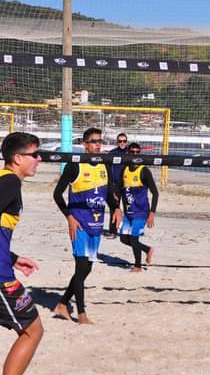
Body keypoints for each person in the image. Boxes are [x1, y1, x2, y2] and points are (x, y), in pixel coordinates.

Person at [52, 128, 121, 325]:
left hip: (96, 225)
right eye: (93, 141)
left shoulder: (104, 165)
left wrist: (116, 207)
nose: (97, 144)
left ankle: (63, 303)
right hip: (79, 224)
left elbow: (107, 194)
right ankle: (81, 314)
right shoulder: (75, 166)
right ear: (84, 144)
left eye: (100, 141)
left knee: (86, 269)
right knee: (81, 267)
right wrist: (69, 217)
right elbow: (57, 194)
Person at [0, 132, 44, 375]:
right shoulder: (9, 181)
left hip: (4, 267)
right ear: (18, 158)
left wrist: (14, 257)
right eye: (35, 154)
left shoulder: (5, 179)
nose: (39, 160)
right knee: (32, 330)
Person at [118, 142, 158, 272]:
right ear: (128, 154)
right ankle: (147, 249)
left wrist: (152, 213)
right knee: (123, 239)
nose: (135, 155)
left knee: (134, 239)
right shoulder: (124, 169)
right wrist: (116, 208)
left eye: (137, 152)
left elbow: (155, 193)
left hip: (141, 212)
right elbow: (120, 190)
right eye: (132, 152)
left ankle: (138, 266)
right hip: (128, 212)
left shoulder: (144, 171)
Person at [106, 132, 129, 238]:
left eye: (124, 141)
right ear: (117, 142)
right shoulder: (112, 153)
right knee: (114, 207)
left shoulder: (130, 153)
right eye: (120, 141)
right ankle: (113, 231)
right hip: (115, 185)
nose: (122, 143)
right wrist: (110, 185)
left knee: (128, 208)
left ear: (127, 142)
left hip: (127, 185)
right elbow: (107, 169)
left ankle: (128, 230)